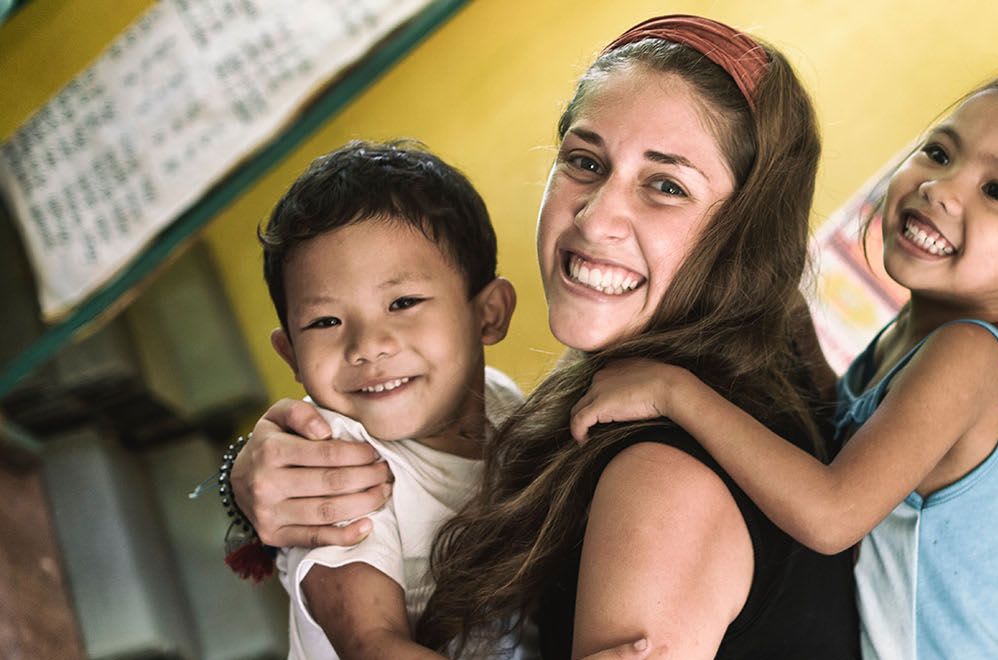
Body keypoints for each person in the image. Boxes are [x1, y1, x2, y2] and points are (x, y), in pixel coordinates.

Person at [231, 15, 861, 660]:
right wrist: (246, 479)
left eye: (666, 185)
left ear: (746, 230)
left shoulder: (661, 476)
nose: (596, 218)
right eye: (585, 163)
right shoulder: (669, 388)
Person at [570, 70, 998, 659]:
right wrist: (791, 324)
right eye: (940, 152)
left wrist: (675, 393)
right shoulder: (917, 335)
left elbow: (832, 513)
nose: (942, 189)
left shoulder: (969, 355)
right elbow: (842, 437)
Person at [254, 140, 528, 658]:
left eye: (402, 303)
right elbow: (371, 644)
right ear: (290, 353)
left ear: (488, 314)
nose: (367, 346)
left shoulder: (503, 406)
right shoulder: (337, 468)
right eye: (325, 322)